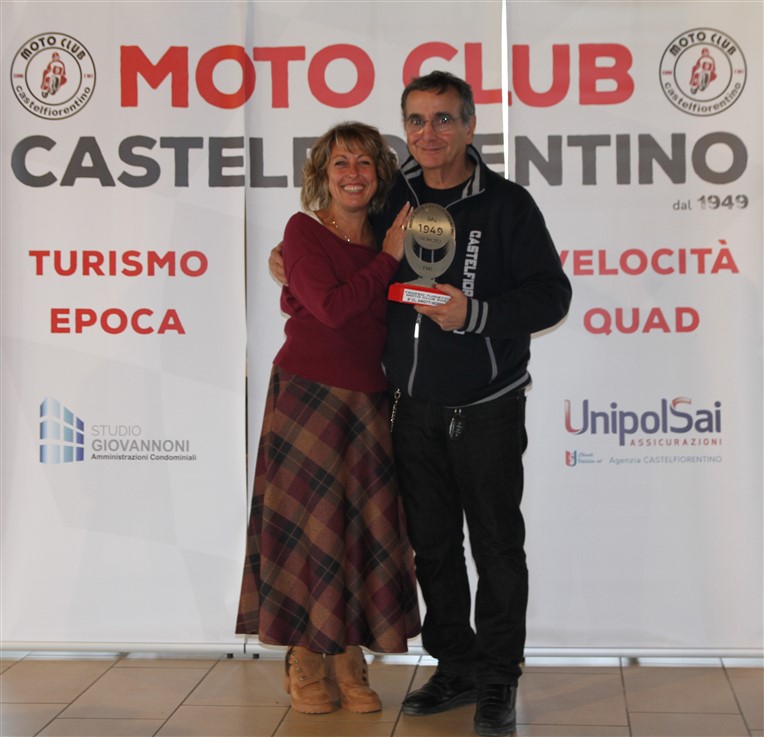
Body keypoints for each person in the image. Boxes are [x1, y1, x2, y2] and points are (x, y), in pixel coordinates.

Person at [270, 71, 572, 737]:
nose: (428, 133)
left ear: (469, 126)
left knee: (497, 547)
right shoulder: (390, 198)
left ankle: (498, 677)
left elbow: (552, 296)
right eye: (416, 120)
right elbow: (343, 257)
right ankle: (456, 665)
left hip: (488, 404)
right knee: (432, 548)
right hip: (409, 406)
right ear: (404, 128)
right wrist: (288, 259)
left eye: (443, 119)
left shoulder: (508, 205)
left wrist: (475, 313)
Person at [237, 122, 420, 716]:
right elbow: (335, 310)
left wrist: (389, 257)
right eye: (341, 163)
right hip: (307, 395)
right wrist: (386, 261)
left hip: (368, 399)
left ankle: (348, 657)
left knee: (359, 533)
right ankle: (304, 659)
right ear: (323, 174)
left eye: (365, 163)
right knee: (306, 530)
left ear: (379, 175)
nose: (353, 174)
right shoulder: (304, 230)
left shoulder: (397, 233)